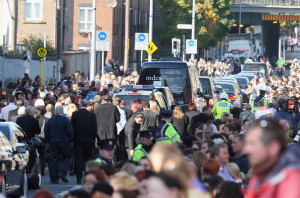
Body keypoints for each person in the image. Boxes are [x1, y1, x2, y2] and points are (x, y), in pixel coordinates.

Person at [244, 117, 300, 198]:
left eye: (253, 144)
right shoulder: (259, 174)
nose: (246, 149)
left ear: (273, 148)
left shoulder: (291, 181)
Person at [44, 106, 74, 184]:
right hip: (64, 141)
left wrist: (49, 140)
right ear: (62, 111)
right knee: (66, 157)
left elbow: (46, 132)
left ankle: (54, 178)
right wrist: (70, 140)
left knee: (54, 159)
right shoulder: (65, 120)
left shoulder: (50, 120)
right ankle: (62, 172)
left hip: (53, 142)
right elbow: (70, 131)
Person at [71, 99, 97, 184]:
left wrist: (73, 138)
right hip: (88, 140)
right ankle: (86, 177)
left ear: (80, 105)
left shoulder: (75, 114)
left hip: (78, 140)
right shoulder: (91, 115)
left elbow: (72, 127)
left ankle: (78, 178)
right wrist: (92, 138)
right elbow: (94, 128)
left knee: (78, 159)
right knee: (87, 159)